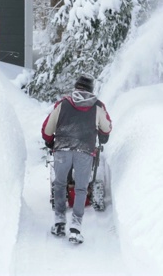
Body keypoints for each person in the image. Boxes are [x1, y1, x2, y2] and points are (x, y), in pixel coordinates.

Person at [41, 75, 112, 244]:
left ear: (76, 87)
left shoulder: (62, 104)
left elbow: (47, 128)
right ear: (91, 89)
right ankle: (75, 227)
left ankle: (59, 222)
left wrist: (50, 141)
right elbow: (106, 127)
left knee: (59, 184)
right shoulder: (98, 106)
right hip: (85, 150)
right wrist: (102, 137)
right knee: (81, 188)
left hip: (63, 149)